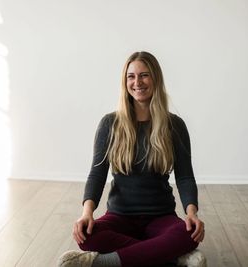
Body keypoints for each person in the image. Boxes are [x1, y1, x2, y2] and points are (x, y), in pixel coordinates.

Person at [58, 51, 206, 267]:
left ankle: (105, 263)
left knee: (187, 234)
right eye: (131, 76)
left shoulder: (175, 125)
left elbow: (185, 177)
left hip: (161, 216)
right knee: (87, 235)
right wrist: (86, 213)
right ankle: (169, 256)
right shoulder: (110, 124)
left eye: (144, 75)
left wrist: (191, 213)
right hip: (119, 216)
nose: (137, 82)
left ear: (156, 79)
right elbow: (97, 174)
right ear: (125, 81)